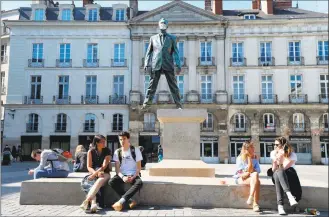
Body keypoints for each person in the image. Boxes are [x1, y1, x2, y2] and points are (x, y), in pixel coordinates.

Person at [142, 18, 183, 110]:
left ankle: (179, 104)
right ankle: (146, 103)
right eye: (161, 23)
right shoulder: (153, 38)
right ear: (159, 25)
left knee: (173, 85)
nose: (162, 25)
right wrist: (146, 63)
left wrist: (178, 64)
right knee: (152, 85)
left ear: (167, 26)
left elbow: (176, 52)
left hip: (168, 63)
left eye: (164, 24)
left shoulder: (172, 38)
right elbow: (148, 52)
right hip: (156, 63)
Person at [109, 131, 143, 211]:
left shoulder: (136, 150)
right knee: (111, 182)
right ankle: (130, 200)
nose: (122, 141)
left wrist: (133, 177)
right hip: (122, 175)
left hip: (133, 174)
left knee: (139, 183)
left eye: (124, 139)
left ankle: (121, 201)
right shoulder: (117, 152)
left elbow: (139, 168)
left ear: (128, 139)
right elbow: (117, 169)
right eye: (120, 139)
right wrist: (123, 177)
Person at [80, 135, 112, 213]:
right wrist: (95, 173)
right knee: (91, 182)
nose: (104, 143)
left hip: (105, 172)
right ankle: (93, 203)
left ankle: (87, 200)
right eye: (102, 141)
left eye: (105, 141)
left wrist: (95, 175)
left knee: (99, 180)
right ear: (97, 143)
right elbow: (89, 167)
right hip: (94, 172)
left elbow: (104, 166)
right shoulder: (90, 151)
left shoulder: (107, 150)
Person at [270, 137, 300, 215]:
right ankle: (290, 196)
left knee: (279, 172)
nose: (275, 146)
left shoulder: (292, 155)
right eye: (274, 144)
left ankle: (280, 207)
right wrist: (275, 160)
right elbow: (273, 169)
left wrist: (282, 157)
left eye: (277, 145)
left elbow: (285, 168)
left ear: (283, 146)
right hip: (278, 174)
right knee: (277, 172)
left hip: (290, 176)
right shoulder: (273, 153)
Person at [233, 141, 261, 212]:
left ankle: (251, 197)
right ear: (246, 149)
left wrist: (249, 171)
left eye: (253, 147)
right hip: (240, 178)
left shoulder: (255, 158)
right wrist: (249, 158)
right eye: (251, 147)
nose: (254, 149)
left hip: (251, 177)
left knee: (255, 176)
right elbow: (242, 174)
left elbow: (258, 170)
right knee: (257, 181)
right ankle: (255, 204)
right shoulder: (240, 158)